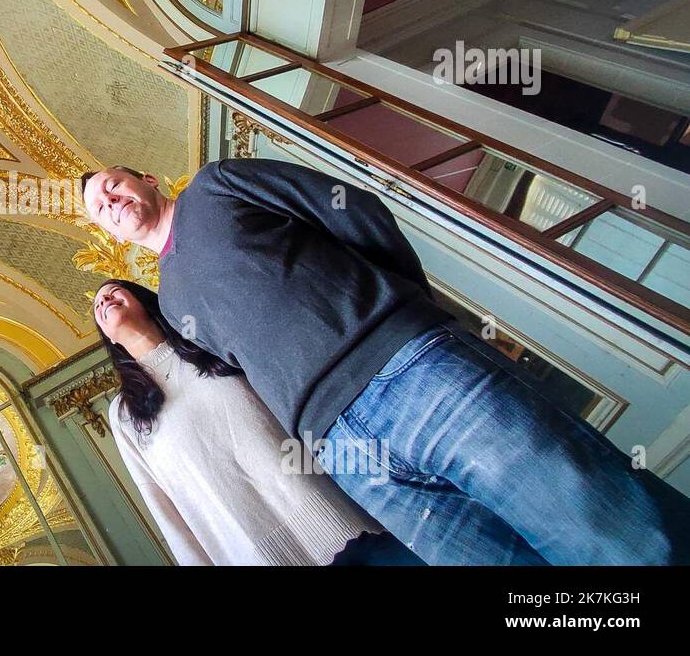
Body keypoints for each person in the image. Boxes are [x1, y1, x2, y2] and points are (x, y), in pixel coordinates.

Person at [82, 159, 690, 565]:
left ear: (148, 178)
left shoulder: (217, 186)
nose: (110, 201)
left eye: (112, 184)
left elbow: (354, 211)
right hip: (342, 452)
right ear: (107, 232)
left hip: (411, 371)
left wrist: (397, 311)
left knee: (602, 525)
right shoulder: (173, 299)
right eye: (98, 208)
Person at [94, 277, 425, 566]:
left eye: (113, 291)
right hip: (255, 553)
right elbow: (159, 500)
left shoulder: (206, 339)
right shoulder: (124, 414)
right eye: (98, 306)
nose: (105, 300)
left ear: (141, 298)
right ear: (107, 337)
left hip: (335, 506)